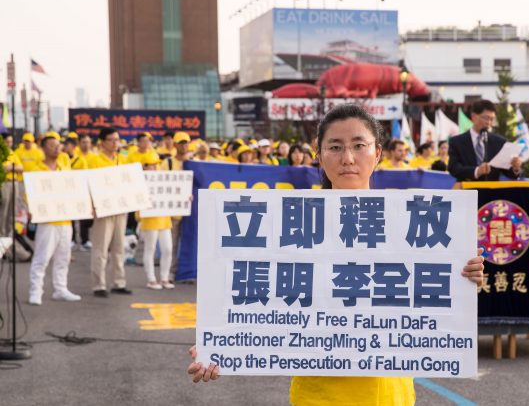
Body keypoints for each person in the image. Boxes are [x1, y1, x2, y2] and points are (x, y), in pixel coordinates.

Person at [186, 104, 485, 405]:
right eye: (335, 147)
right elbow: (260, 292)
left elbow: (432, 301)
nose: (348, 158)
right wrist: (218, 344)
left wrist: (464, 279)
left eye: (359, 145)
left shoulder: (411, 224)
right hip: (319, 396)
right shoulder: (288, 224)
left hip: (389, 395)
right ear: (318, 153)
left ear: (377, 152)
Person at [26, 136, 81, 305]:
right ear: (43, 148)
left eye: (58, 146)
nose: (57, 149)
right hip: (48, 220)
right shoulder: (36, 170)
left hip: (65, 220)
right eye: (52, 146)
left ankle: (60, 288)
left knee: (63, 257)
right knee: (42, 257)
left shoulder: (64, 169)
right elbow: (30, 195)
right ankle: (36, 291)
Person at [87, 127, 133, 297]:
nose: (116, 143)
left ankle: (119, 282)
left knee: (119, 247)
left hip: (120, 207)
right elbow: (90, 185)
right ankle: (99, 285)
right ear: (102, 142)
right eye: (112, 140)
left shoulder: (122, 159)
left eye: (117, 139)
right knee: (101, 248)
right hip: (103, 208)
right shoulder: (94, 160)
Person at [448, 99, 522, 181]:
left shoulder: (499, 142)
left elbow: (509, 173)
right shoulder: (457, 142)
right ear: (473, 117)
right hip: (467, 191)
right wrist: (477, 171)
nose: (489, 123)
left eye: (492, 119)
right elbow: (454, 168)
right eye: (486, 118)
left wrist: (515, 168)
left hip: (491, 192)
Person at [138, 152, 174, 290]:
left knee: (168, 249)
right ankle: (151, 279)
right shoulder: (140, 181)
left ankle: (164, 278)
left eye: (156, 164)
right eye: (152, 165)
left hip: (164, 217)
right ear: (145, 167)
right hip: (149, 218)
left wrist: (184, 199)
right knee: (150, 248)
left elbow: (174, 194)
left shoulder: (163, 178)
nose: (155, 167)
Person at [161, 132, 192, 282]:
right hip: (173, 211)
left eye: (186, 143)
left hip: (191, 212)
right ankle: (170, 272)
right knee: (171, 244)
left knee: (188, 243)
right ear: (175, 145)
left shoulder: (194, 163)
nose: (184, 146)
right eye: (181, 143)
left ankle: (186, 272)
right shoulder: (168, 163)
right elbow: (160, 184)